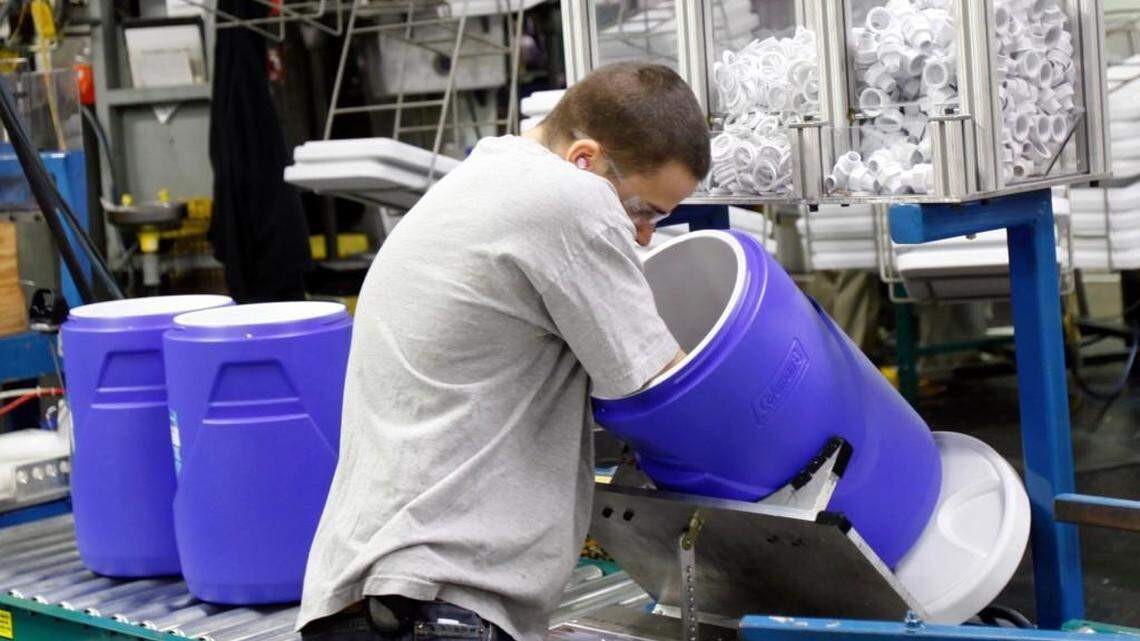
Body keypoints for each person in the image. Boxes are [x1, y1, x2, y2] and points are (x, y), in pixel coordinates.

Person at [296, 62, 711, 641]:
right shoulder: (570, 199)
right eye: (644, 211)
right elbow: (662, 389)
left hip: (367, 599)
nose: (642, 236)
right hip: (438, 607)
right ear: (585, 158)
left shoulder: (487, 176)